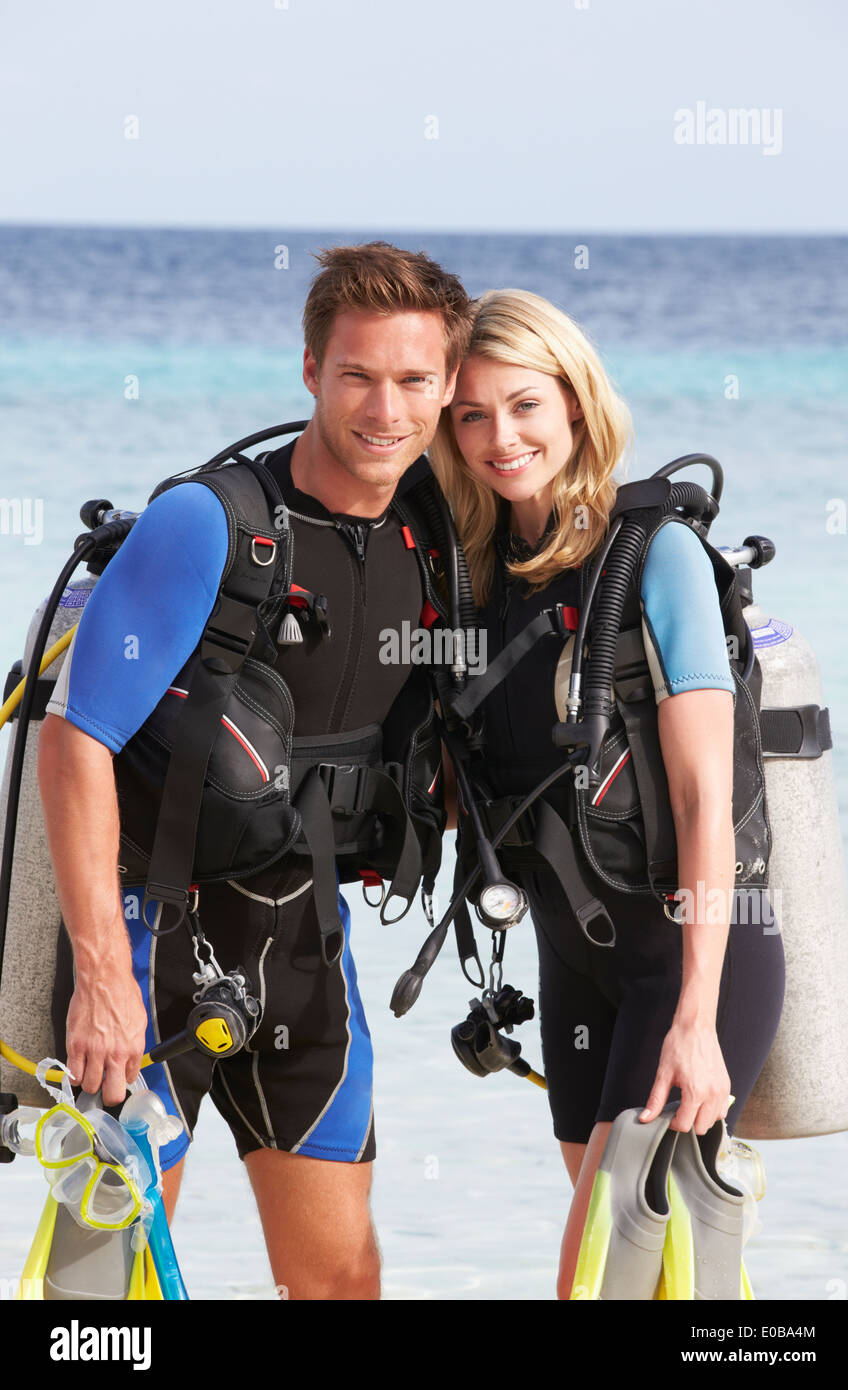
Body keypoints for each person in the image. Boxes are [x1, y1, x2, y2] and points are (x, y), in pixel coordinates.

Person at [36, 242, 474, 1301]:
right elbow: (75, 737)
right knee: (103, 1296)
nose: (385, 408)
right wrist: (100, 978)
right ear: (310, 370)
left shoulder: (435, 533)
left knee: (339, 1285)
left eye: (415, 380)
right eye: (357, 374)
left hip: (309, 950)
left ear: (449, 386)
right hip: (149, 951)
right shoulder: (215, 523)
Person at [428, 289, 786, 1299]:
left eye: (525, 405)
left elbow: (701, 800)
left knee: (591, 1279)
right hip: (574, 968)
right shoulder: (477, 574)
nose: (501, 437)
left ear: (575, 405)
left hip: (685, 959)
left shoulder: (652, 557)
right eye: (471, 413)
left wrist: (697, 1017)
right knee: (648, 1278)